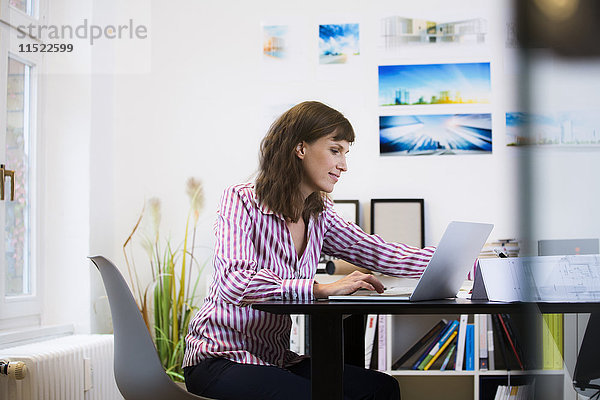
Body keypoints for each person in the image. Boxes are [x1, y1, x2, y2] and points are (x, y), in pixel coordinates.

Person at [183, 101, 435, 400]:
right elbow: (235, 282)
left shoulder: (319, 212)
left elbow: (378, 252)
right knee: (315, 396)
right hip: (219, 358)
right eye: (335, 150)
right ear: (300, 148)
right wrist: (321, 288)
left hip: (276, 359)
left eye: (345, 153)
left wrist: (464, 263)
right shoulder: (241, 200)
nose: (343, 165)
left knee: (380, 388)